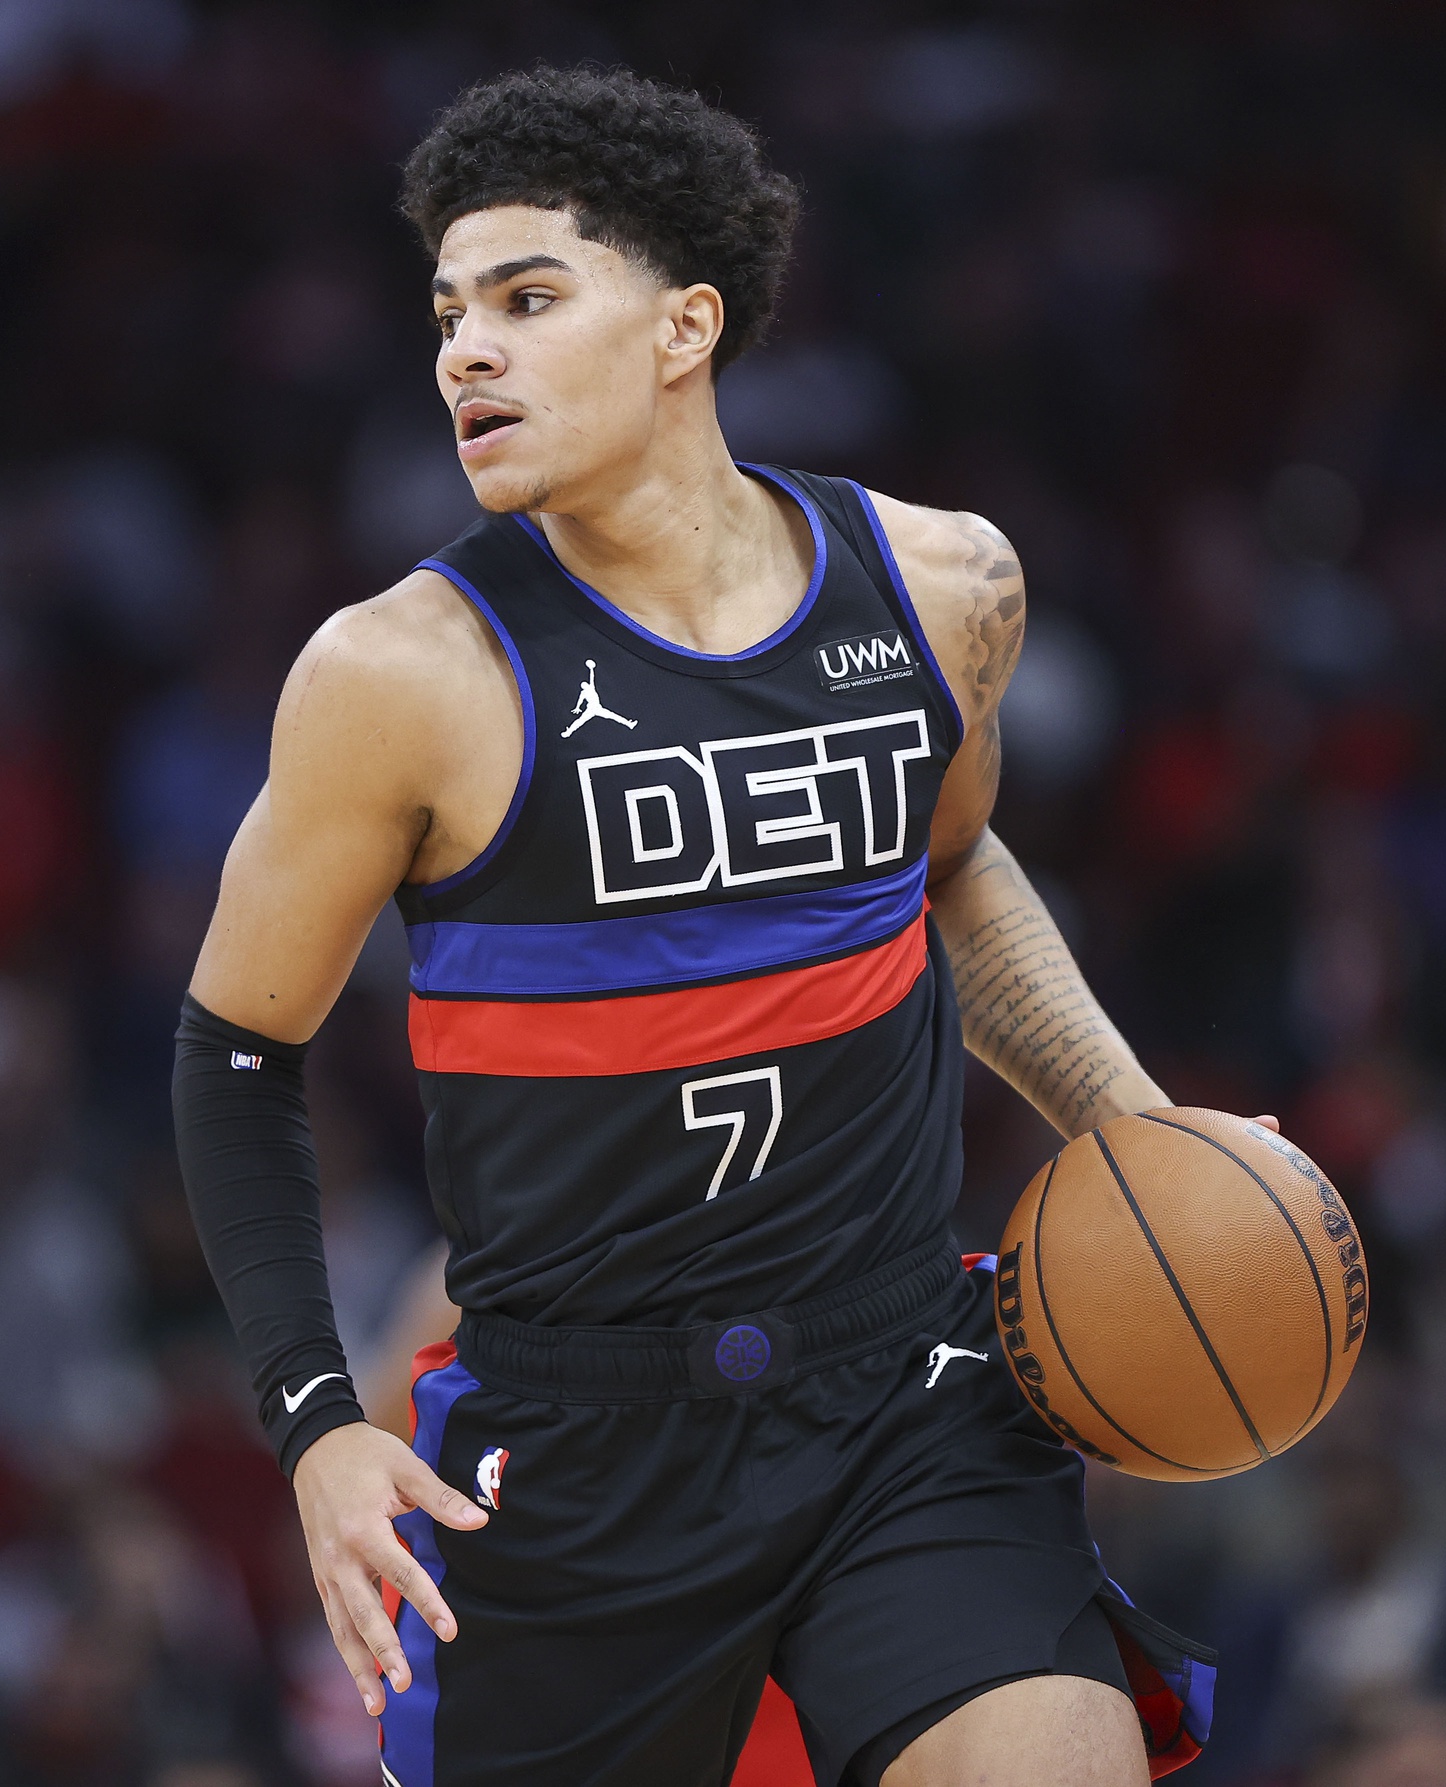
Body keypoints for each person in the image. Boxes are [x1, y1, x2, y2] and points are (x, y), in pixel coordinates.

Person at [172, 66, 1229, 1787]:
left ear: (684, 327)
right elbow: (233, 1055)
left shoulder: (941, 587)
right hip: (577, 1457)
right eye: (446, 311)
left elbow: (952, 872)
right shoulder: (396, 675)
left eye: (523, 299)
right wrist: (310, 1428)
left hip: (901, 1396)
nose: (463, 352)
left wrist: (1137, 1131)